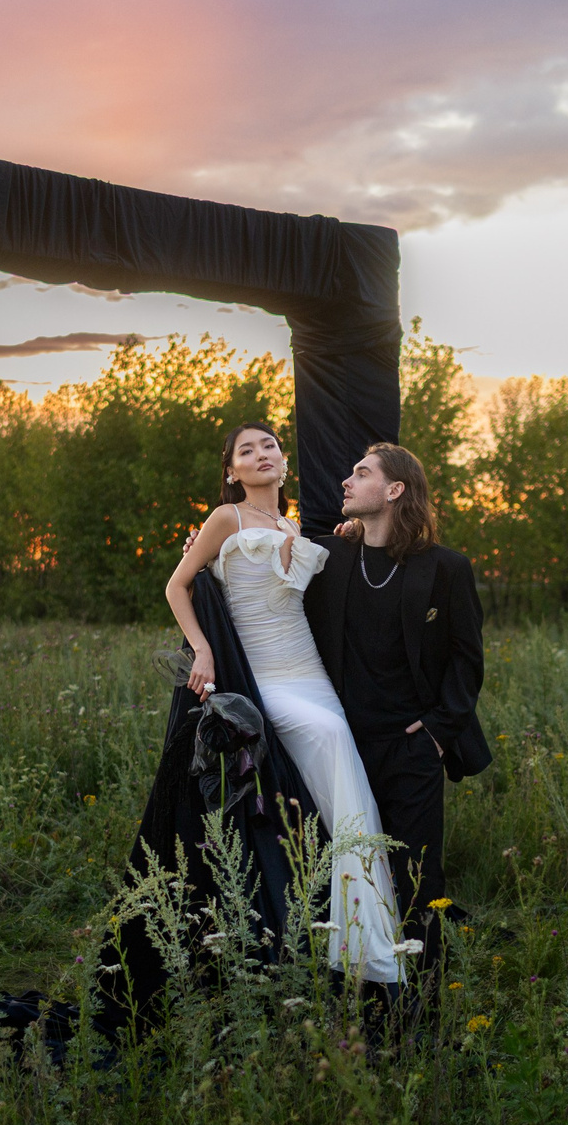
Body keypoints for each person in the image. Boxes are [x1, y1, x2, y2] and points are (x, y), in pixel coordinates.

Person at [160, 422, 401, 989]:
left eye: (269, 445)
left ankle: (351, 934)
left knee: (336, 790)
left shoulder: (291, 524)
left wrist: (343, 535)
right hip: (264, 678)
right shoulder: (227, 518)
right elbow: (177, 586)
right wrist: (202, 651)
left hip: (312, 674)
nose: (261, 454)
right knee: (334, 747)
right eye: (247, 450)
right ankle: (354, 937)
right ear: (232, 471)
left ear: (283, 463)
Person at [306, 442, 489, 947]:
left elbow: (466, 658)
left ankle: (426, 1001)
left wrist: (437, 731)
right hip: (343, 746)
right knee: (347, 869)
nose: (346, 481)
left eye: (361, 473)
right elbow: (255, 571)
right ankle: (363, 982)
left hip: (413, 746)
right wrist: (202, 548)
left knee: (418, 876)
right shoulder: (328, 557)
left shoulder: (446, 568)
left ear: (394, 490)